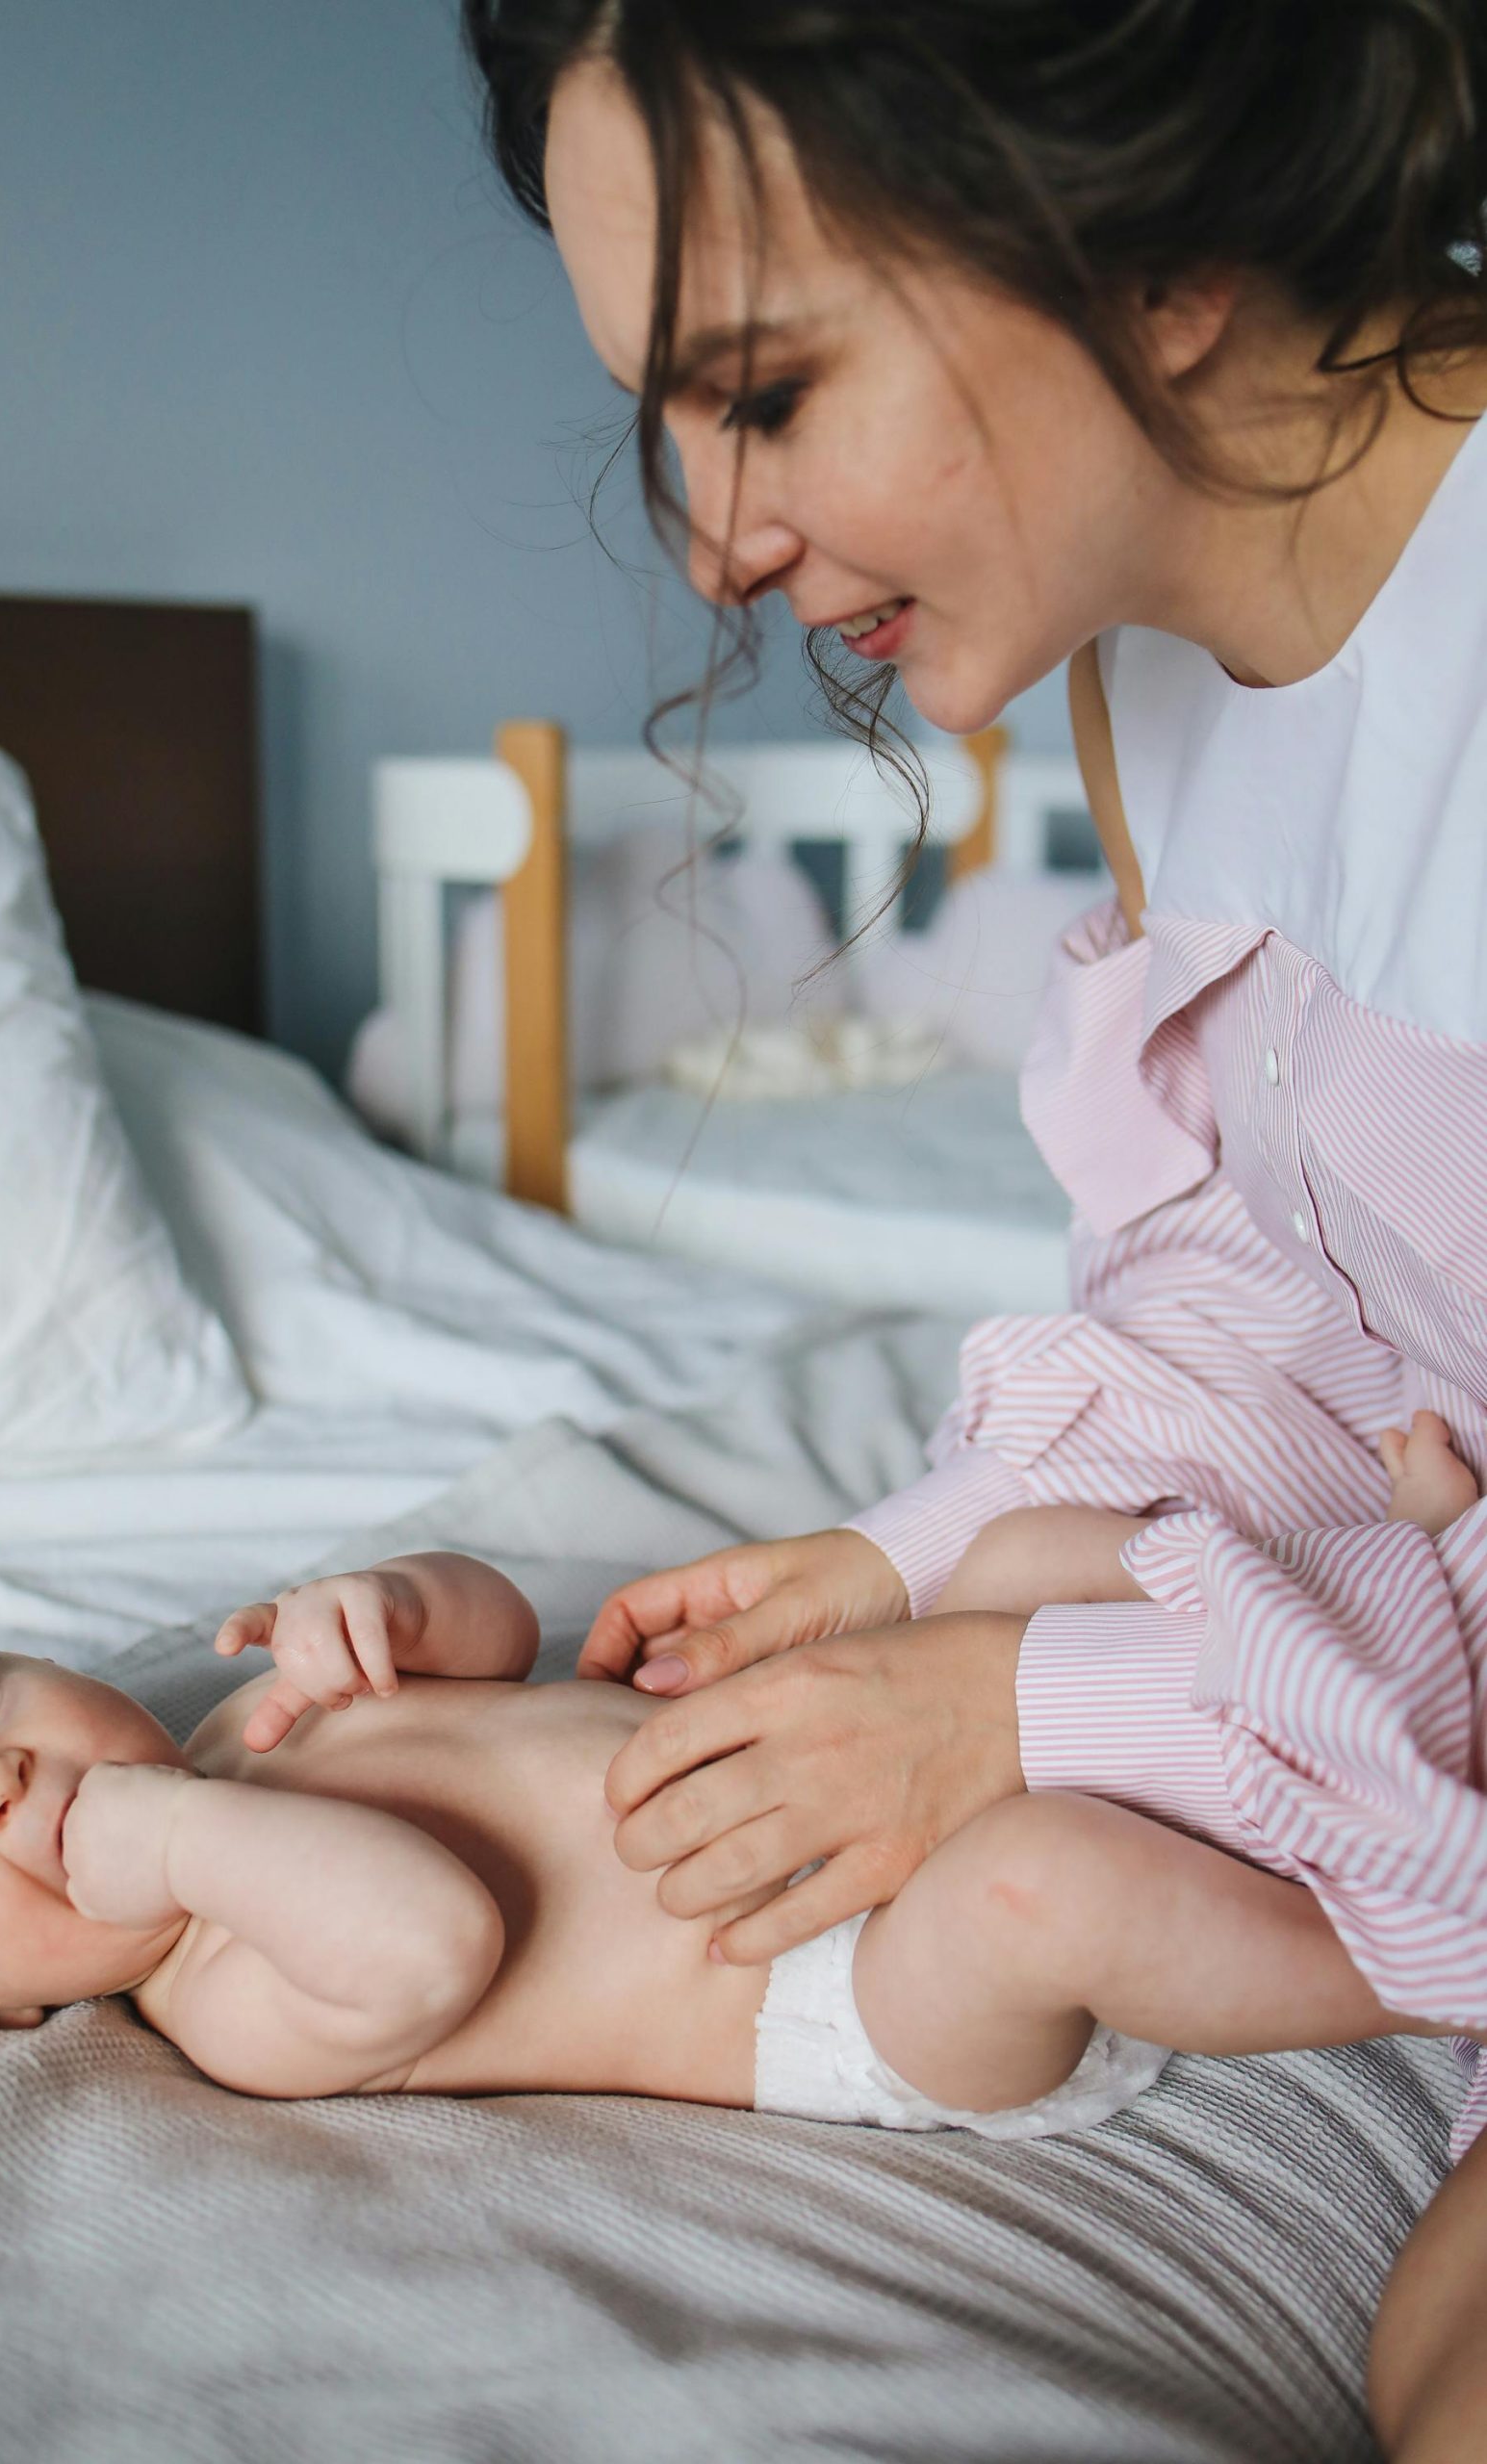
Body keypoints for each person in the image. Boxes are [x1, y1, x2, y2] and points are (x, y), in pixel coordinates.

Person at [461, 5, 1487, 2455]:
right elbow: (1265, 1292)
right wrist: (913, 1561)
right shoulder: (1148, 668)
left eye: (763, 389)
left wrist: (1041, 1708)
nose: (710, 543)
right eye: (665, 418)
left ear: (1155, 252)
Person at [0, 1413, 1467, 2143]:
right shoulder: (228, 2000)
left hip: (853, 1756)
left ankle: (1386, 1609)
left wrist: (395, 1601)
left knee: (1022, 1558)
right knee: (1044, 1883)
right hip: (855, 1987)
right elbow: (434, 1935)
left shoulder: (249, 1718)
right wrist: (183, 1839)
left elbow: (499, 1639)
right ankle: (1430, 1961)